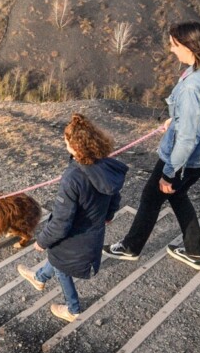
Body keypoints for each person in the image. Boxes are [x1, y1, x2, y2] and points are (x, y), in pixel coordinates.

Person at [105, 21, 200, 270]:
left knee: (154, 194)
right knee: (175, 194)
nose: (171, 50)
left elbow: (188, 138)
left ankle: (131, 247)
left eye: (174, 44)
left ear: (189, 46)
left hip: (189, 156)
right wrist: (178, 118)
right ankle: (193, 252)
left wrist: (169, 172)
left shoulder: (192, 87)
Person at [17, 114, 127, 322]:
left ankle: (73, 309)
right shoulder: (105, 165)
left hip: (76, 236)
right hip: (93, 232)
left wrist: (42, 241)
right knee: (58, 261)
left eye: (66, 140)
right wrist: (109, 214)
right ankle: (39, 278)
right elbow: (114, 194)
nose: (64, 142)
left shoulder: (73, 178)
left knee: (61, 266)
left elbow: (61, 221)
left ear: (76, 146)